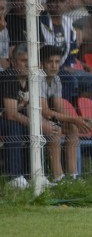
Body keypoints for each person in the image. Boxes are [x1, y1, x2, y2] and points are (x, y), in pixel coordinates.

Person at [0, 44, 61, 189]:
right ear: (13, 62)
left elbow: (32, 110)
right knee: (15, 127)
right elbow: (11, 113)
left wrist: (43, 124)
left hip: (12, 119)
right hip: (5, 119)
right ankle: (14, 178)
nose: (28, 64)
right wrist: (38, 124)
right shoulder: (8, 77)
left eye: (30, 61)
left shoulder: (31, 80)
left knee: (36, 131)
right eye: (23, 60)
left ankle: (35, 175)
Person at [39, 45, 92, 182]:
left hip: (46, 118)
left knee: (72, 128)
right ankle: (58, 177)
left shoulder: (56, 79)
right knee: (55, 130)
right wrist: (75, 119)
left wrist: (75, 121)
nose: (53, 66)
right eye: (50, 62)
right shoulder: (38, 78)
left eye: (57, 62)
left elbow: (58, 107)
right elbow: (45, 111)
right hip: (30, 117)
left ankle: (72, 175)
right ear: (41, 64)